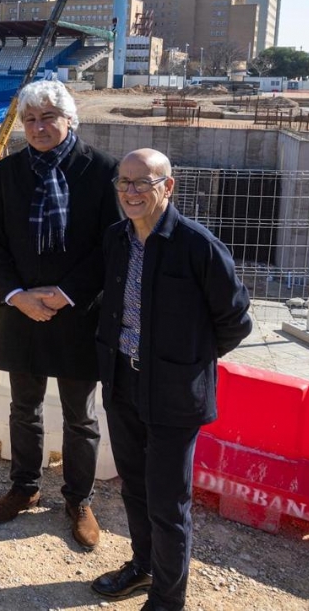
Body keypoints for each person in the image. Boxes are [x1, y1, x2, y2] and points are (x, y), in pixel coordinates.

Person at [91, 149, 251, 611]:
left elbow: (235, 321)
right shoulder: (116, 238)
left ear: (169, 186)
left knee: (168, 502)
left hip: (174, 395)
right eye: (124, 182)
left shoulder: (198, 246)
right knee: (134, 487)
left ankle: (167, 598)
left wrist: (188, 362)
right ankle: (143, 566)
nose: (131, 192)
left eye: (143, 182)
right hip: (122, 383)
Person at [0, 79, 120, 549]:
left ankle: (78, 499)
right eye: (31, 120)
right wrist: (17, 294)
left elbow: (110, 244)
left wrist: (63, 293)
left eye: (48, 118)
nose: (38, 128)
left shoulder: (102, 170)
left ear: (69, 120)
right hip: (21, 311)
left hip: (79, 314)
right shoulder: (8, 172)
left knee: (81, 416)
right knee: (24, 407)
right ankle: (24, 486)